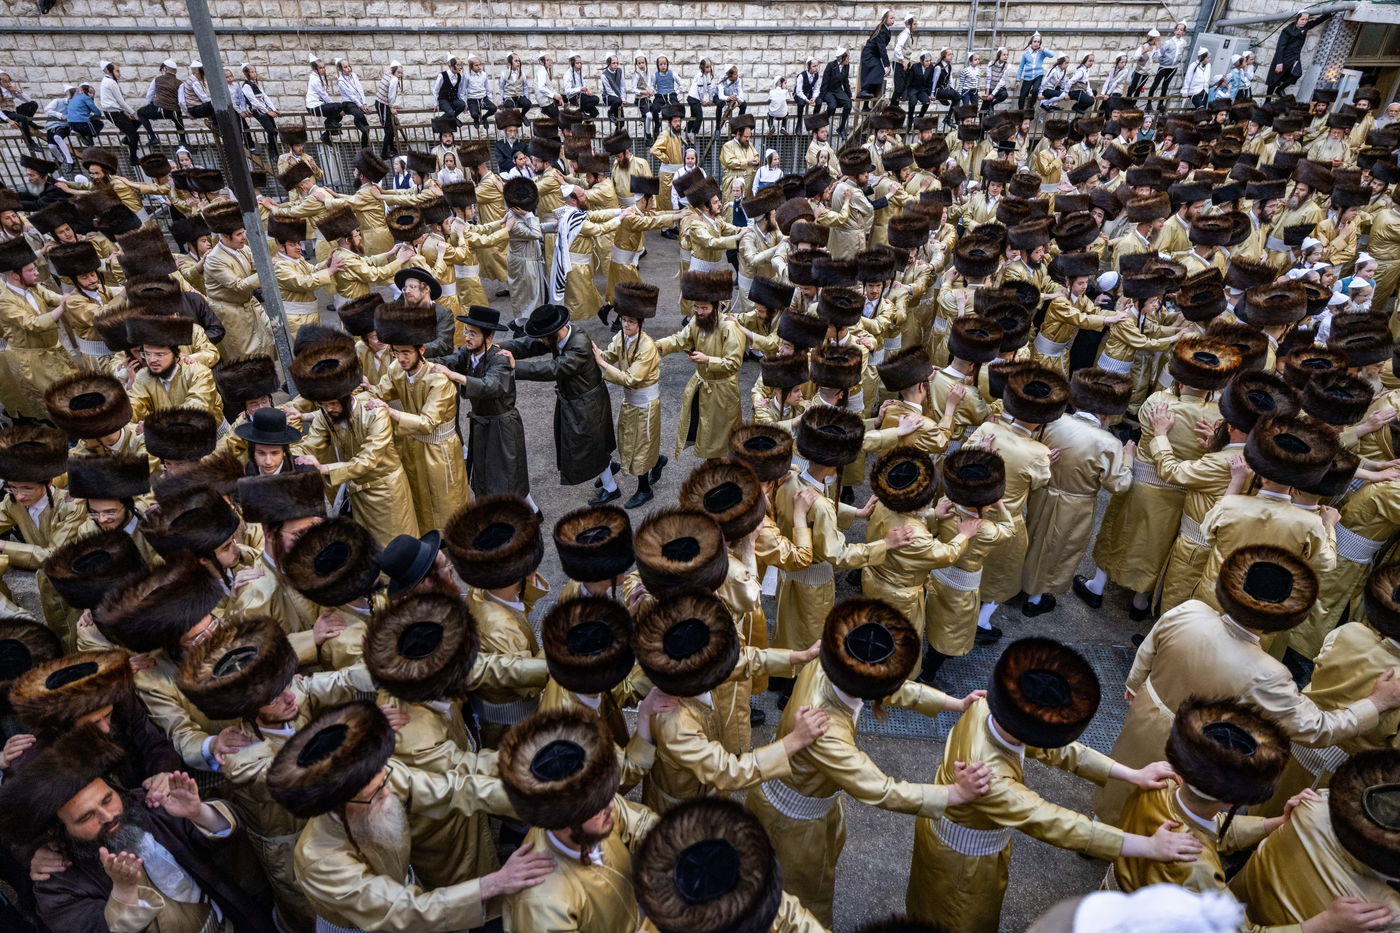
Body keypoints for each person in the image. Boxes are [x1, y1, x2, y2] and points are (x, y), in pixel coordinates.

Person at [0, 725, 276, 933]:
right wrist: (123, 892)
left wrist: (198, 812)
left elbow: (229, 832)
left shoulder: (147, 803)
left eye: (108, 798)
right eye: (86, 817)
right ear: (58, 831)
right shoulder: (57, 885)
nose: (109, 815)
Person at [499, 302, 617, 495]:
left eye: (543, 338)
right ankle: (608, 474)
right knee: (593, 444)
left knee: (591, 445)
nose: (542, 342)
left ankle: (611, 488)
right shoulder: (561, 335)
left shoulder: (579, 344)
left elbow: (553, 368)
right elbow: (528, 344)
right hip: (579, 400)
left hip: (587, 404)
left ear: (552, 334)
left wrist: (514, 367)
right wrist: (497, 348)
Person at [1268, 10, 1336, 96]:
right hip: (1284, 57)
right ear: (1297, 19)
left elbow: (1317, 21)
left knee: (1297, 74)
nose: (1304, 22)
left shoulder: (1305, 26)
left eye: (1306, 19)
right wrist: (1279, 63)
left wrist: (1331, 13)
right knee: (1275, 79)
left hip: (1295, 57)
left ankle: (1280, 89)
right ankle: (1267, 99)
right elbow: (1280, 47)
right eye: (1302, 19)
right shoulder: (1287, 30)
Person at [97, 60, 143, 162]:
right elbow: (121, 102)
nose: (119, 74)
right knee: (134, 136)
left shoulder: (107, 80)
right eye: (117, 71)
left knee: (138, 122)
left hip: (116, 112)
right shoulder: (111, 82)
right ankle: (133, 159)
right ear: (109, 71)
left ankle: (126, 139)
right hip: (113, 113)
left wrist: (128, 114)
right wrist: (133, 113)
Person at [138, 59, 186, 146]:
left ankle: (153, 138)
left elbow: (149, 96)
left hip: (158, 109)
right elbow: (181, 101)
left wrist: (150, 107)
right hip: (173, 111)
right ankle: (183, 141)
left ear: (164, 69)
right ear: (175, 71)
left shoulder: (157, 80)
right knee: (179, 120)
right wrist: (187, 112)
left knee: (140, 112)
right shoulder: (180, 83)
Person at [859, 9, 894, 104]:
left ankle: (868, 99)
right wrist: (887, 65)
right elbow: (882, 48)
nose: (893, 20)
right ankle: (864, 91)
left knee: (877, 71)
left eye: (893, 18)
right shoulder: (882, 30)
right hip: (869, 54)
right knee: (877, 70)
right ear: (885, 18)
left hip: (874, 55)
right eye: (891, 18)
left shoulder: (886, 29)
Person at [819, 48, 853, 135]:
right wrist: (822, 95)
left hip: (838, 91)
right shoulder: (831, 66)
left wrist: (849, 95)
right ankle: (823, 120)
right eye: (847, 58)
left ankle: (841, 128)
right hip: (829, 91)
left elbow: (845, 81)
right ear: (842, 58)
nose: (849, 60)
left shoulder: (847, 66)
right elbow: (825, 81)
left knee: (848, 104)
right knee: (832, 106)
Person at [1017, 33, 1056, 110]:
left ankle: (1031, 107)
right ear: (1031, 42)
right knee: (1022, 96)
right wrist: (1018, 80)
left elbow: (1052, 55)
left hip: (1038, 75)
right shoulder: (1026, 54)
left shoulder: (1041, 53)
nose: (1036, 43)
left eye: (1038, 42)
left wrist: (1043, 49)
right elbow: (1021, 67)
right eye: (1035, 41)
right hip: (1028, 77)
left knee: (1035, 90)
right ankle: (1020, 111)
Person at [686, 58, 717, 137]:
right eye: (707, 67)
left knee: (693, 116)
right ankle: (693, 133)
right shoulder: (700, 75)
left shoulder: (707, 76)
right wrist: (702, 101)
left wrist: (711, 99)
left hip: (695, 99)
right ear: (702, 67)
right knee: (699, 116)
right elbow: (700, 90)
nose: (709, 69)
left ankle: (685, 132)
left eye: (710, 67)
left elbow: (709, 88)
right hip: (693, 98)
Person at [601, 55, 625, 126]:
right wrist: (619, 99)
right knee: (618, 101)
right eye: (613, 63)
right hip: (608, 97)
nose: (616, 65)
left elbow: (622, 86)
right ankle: (610, 112)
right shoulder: (604, 75)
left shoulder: (620, 71)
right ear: (608, 64)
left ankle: (616, 137)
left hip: (618, 99)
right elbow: (609, 90)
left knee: (621, 123)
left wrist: (623, 99)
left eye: (617, 63)